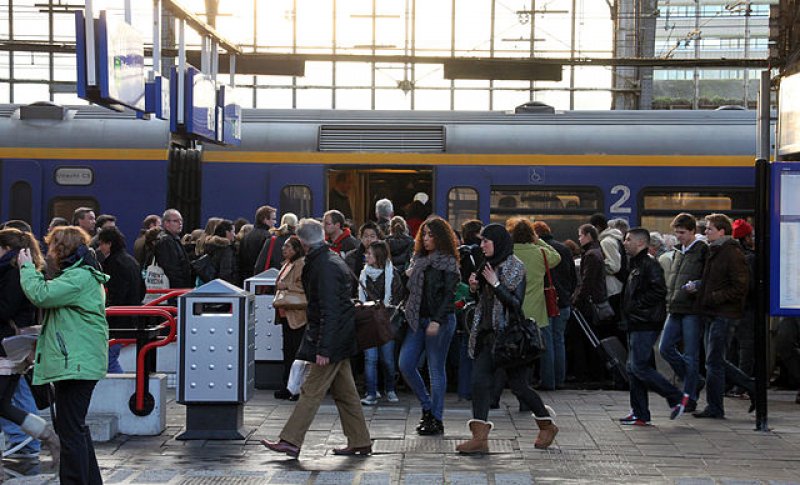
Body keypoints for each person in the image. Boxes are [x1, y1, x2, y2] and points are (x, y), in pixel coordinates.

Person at [261, 219, 371, 458]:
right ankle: (360, 440)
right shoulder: (329, 260)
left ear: (302, 242)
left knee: (310, 391)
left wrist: (324, 348)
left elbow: (329, 310)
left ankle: (291, 440)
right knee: (346, 393)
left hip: (332, 340)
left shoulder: (323, 266)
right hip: (339, 337)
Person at [455, 224, 558, 455]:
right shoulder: (487, 265)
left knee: (520, 387)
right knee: (479, 382)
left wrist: (495, 283)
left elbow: (515, 303)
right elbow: (485, 300)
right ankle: (479, 438)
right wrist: (475, 287)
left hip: (510, 340)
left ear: (498, 242)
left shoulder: (515, 266)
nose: (482, 245)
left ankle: (546, 425)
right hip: (487, 335)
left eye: (486, 241)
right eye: (481, 241)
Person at [19, 225, 108, 484]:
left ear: (62, 248)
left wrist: (26, 267)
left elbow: (41, 295)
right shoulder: (82, 273)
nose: (48, 253)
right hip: (79, 362)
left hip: (77, 363)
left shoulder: (78, 277)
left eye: (52, 247)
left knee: (70, 431)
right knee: (74, 427)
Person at [0, 229, 60, 472]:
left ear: (5, 248)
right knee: (3, 406)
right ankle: (49, 438)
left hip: (6, 348)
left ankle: (49, 439)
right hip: (14, 347)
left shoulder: (11, 273)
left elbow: (5, 309)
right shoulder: (22, 270)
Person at [399, 216, 459, 436]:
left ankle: (437, 418)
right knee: (405, 363)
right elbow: (410, 292)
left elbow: (449, 295)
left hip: (439, 321)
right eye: (424, 234)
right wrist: (407, 275)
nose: (426, 239)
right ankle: (427, 407)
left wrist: (437, 320)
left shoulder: (448, 262)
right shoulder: (418, 259)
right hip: (417, 319)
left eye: (431, 235)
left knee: (435, 369)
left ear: (441, 238)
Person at [693, 213, 755, 419]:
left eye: (709, 229)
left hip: (723, 313)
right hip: (712, 312)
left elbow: (740, 286)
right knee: (715, 361)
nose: (705, 232)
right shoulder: (715, 250)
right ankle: (749, 386)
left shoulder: (731, 253)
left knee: (713, 362)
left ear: (721, 231)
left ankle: (716, 407)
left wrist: (713, 297)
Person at [619, 228, 683, 425]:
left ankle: (675, 397)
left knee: (639, 367)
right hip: (636, 321)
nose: (624, 243)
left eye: (628, 239)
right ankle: (639, 413)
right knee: (632, 368)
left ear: (640, 243)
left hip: (645, 322)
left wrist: (636, 305)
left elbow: (658, 291)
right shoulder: (636, 264)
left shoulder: (649, 264)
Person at [659, 213, 708, 417]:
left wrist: (697, 285)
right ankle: (694, 380)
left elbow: (708, 277)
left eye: (682, 233)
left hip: (692, 308)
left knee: (690, 354)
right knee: (665, 348)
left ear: (692, 231)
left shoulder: (702, 250)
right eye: (676, 232)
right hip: (676, 305)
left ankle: (690, 397)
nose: (678, 236)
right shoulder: (678, 251)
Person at [506, 218, 560, 390]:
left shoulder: (508, 252)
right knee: (544, 346)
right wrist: (539, 240)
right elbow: (556, 257)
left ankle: (517, 383)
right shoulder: (541, 252)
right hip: (537, 310)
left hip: (513, 308)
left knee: (514, 348)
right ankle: (548, 382)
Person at [359, 240, 404, 406]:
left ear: (378, 256)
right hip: (368, 322)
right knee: (370, 359)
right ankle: (371, 393)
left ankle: (390, 389)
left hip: (387, 322)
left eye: (369, 253)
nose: (366, 256)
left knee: (387, 359)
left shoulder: (393, 274)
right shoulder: (363, 274)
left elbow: (398, 297)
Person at [534, 221, 577, 390]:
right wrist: (566, 294)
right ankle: (560, 379)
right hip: (563, 302)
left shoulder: (538, 250)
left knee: (547, 341)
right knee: (559, 340)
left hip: (546, 301)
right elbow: (572, 277)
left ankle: (548, 381)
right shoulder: (564, 249)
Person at [97, 226, 145, 373]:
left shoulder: (113, 263)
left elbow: (117, 293)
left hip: (118, 320)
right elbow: (142, 289)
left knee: (109, 358)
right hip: (132, 316)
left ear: (109, 244)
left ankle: (121, 390)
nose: (100, 248)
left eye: (101, 244)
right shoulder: (130, 260)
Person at [272, 236, 307, 401]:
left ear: (296, 249)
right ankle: (288, 385)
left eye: (287, 247)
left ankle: (295, 388)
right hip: (286, 313)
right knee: (288, 352)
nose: (283, 249)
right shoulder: (287, 264)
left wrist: (287, 286)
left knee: (295, 352)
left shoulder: (300, 264)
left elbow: (304, 287)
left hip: (296, 314)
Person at [152, 209, 192, 289]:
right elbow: (171, 270)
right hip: (172, 291)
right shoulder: (166, 241)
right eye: (176, 221)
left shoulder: (173, 239)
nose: (180, 223)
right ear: (166, 223)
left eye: (181, 221)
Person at [239, 205, 277, 281]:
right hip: (261, 278)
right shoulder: (268, 236)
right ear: (265, 220)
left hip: (246, 277)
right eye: (273, 219)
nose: (275, 222)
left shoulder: (246, 236)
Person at [345, 221, 381, 295]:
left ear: (378, 238)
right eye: (366, 236)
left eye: (372, 236)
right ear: (360, 238)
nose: (369, 239)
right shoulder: (351, 257)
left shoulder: (382, 256)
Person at [200, 219, 239, 285]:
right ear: (227, 232)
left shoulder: (210, 246)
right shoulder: (226, 249)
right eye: (233, 231)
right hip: (223, 287)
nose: (235, 235)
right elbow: (225, 272)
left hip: (209, 284)